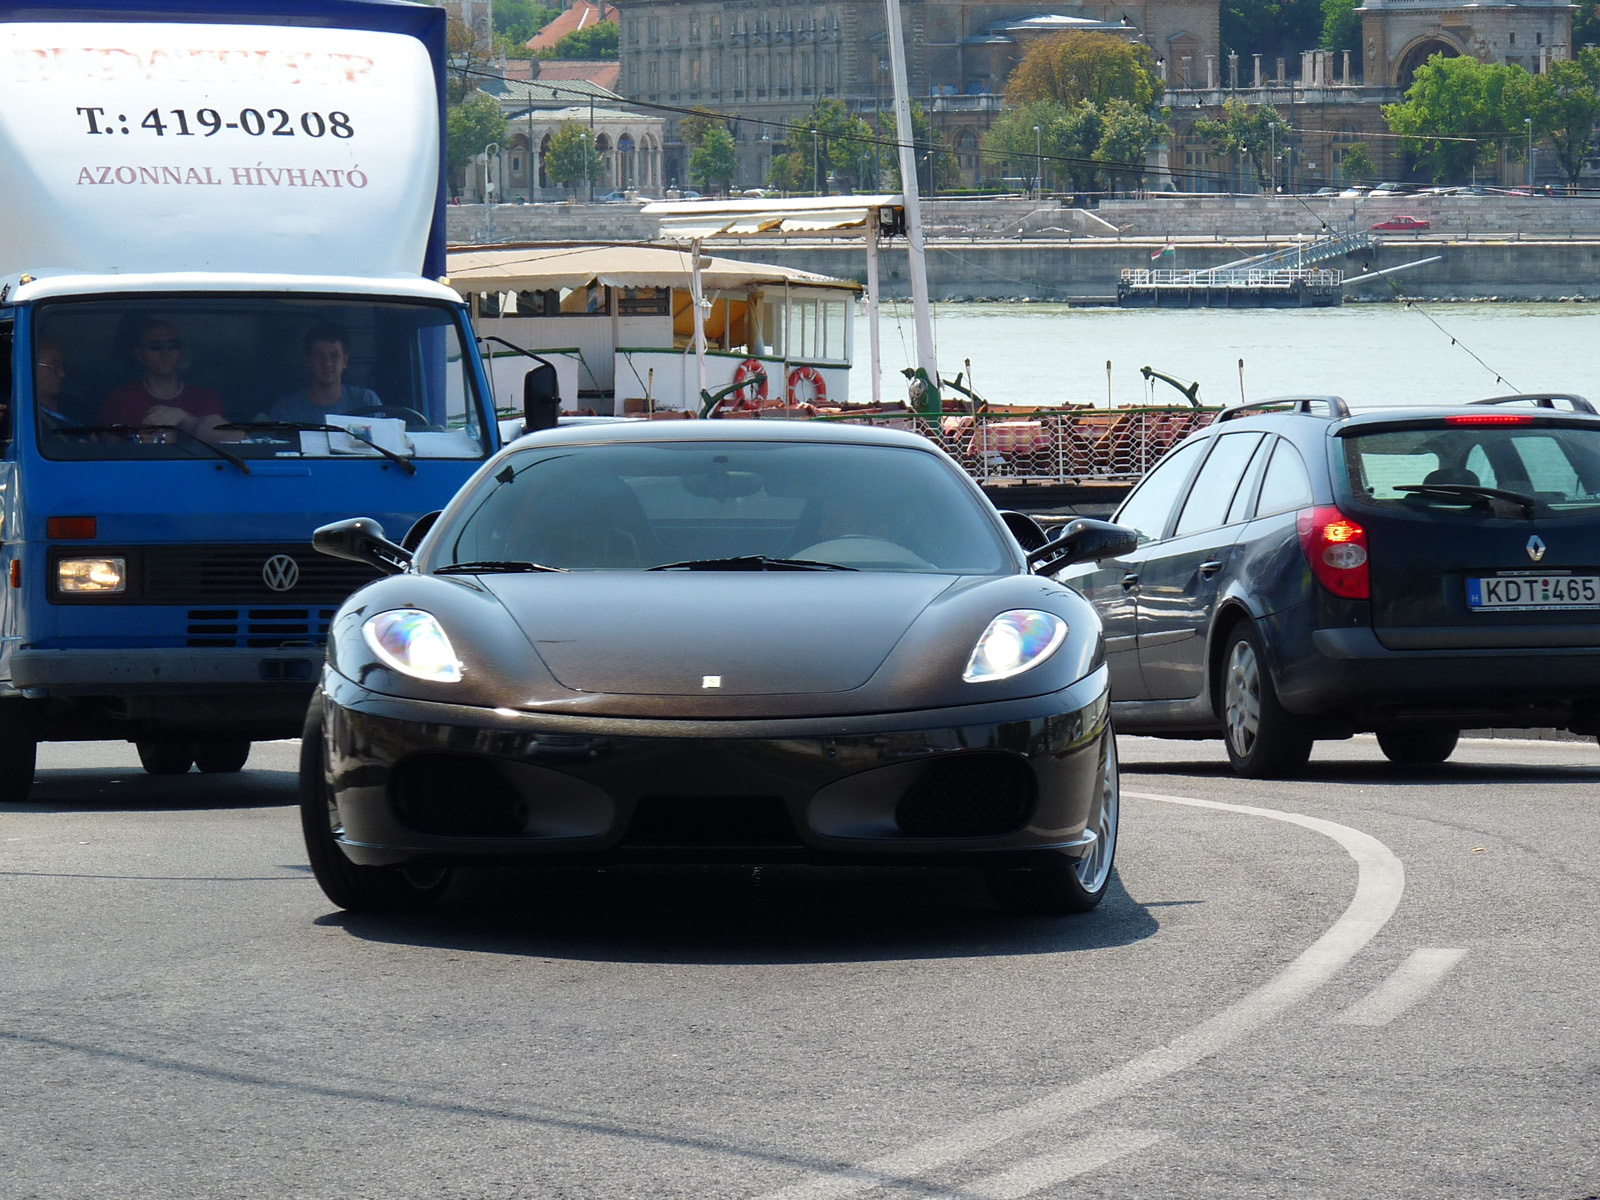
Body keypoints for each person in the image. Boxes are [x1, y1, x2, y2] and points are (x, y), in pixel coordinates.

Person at [101, 320, 227, 438]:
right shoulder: (121, 398)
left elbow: (231, 438)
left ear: (181, 351)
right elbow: (108, 451)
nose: (166, 352)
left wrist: (184, 418)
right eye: (156, 346)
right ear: (139, 354)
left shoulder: (205, 397)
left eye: (173, 345)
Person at [265, 324, 379, 425]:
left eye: (334, 356)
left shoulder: (367, 402)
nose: (327, 363)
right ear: (308, 361)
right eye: (319, 356)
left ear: (345, 361)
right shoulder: (286, 410)